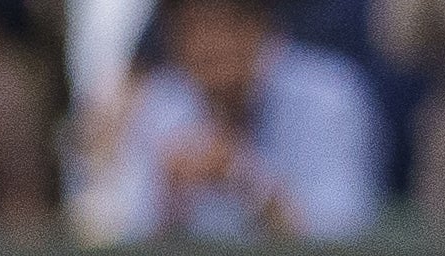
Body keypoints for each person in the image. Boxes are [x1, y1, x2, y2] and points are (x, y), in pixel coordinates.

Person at [76, 0, 378, 235]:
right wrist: (168, 199)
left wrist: (242, 178)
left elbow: (341, 242)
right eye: (195, 27)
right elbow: (126, 244)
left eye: (228, 23)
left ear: (262, 26)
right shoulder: (159, 106)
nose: (211, 45)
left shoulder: (329, 95)